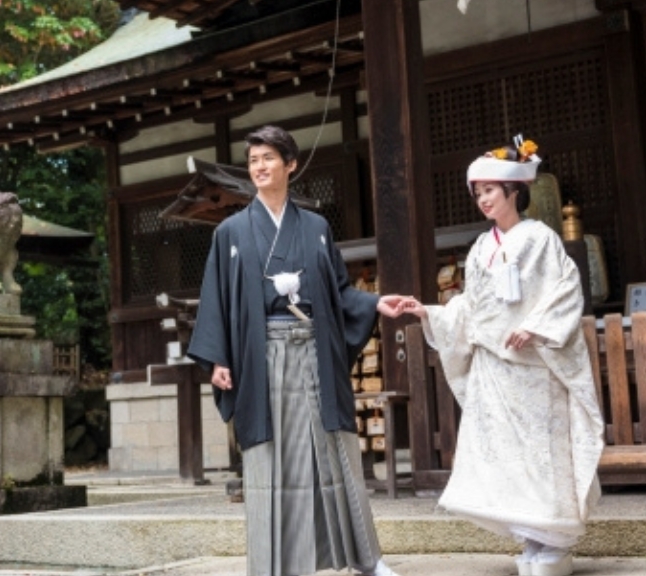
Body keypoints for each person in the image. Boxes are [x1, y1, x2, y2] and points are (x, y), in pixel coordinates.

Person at [378, 138, 605, 576]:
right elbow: (472, 305)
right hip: (494, 368)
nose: (483, 199)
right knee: (507, 457)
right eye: (478, 192)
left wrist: (535, 325)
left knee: (541, 454)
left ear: (513, 191)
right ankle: (531, 541)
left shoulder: (541, 238)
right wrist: (430, 312)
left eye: (489, 191)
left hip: (534, 365)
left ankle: (554, 544)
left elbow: (565, 289)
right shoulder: (481, 247)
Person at [187, 125, 399, 576]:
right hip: (262, 354)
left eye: (268, 158)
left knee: (334, 447)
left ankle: (366, 559)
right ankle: (273, 566)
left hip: (315, 349)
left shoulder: (317, 228)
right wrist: (218, 357)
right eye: (253, 160)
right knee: (269, 456)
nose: (259, 167)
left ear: (291, 164)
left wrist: (375, 303)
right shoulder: (230, 232)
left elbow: (339, 291)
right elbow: (215, 299)